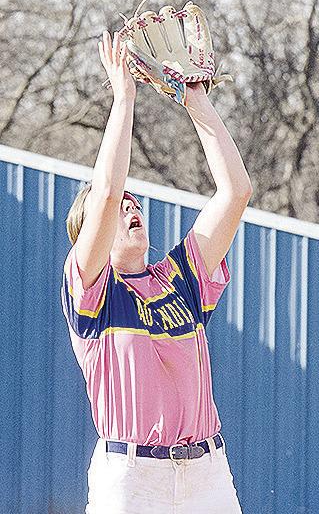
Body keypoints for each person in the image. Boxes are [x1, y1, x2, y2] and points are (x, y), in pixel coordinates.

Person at [61, 29, 253, 514]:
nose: (131, 207)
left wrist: (195, 102)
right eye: (120, 207)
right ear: (92, 234)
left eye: (134, 203)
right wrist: (124, 97)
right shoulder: (91, 291)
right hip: (131, 477)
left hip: (206, 471)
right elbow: (105, 191)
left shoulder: (179, 279)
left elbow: (235, 192)